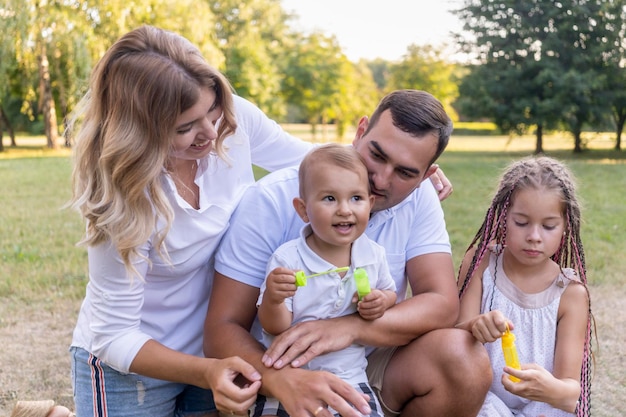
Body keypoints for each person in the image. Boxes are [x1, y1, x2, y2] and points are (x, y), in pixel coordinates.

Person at [64, 24, 321, 417]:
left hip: (216, 346)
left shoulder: (234, 123)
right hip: (132, 368)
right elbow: (113, 335)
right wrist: (207, 371)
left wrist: (389, 167)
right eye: (185, 128)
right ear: (140, 131)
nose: (210, 133)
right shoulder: (122, 194)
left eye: (212, 111)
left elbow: (315, 162)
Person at [205, 89, 492, 417]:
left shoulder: (419, 198)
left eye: (405, 172)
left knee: (463, 360)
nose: (381, 179)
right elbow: (221, 330)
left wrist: (348, 328)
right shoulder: (273, 198)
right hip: (280, 364)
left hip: (367, 363)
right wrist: (281, 380)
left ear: (426, 176)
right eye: (378, 155)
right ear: (360, 132)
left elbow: (441, 303)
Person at [255, 144, 397, 417]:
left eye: (356, 198)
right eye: (330, 199)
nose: (345, 210)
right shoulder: (289, 260)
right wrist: (273, 298)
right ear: (303, 209)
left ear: (370, 203)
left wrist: (380, 302)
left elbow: (388, 292)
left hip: (350, 378)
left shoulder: (372, 254)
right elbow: (275, 325)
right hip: (292, 378)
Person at [455, 156, 593, 417]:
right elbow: (452, 342)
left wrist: (548, 388)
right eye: (521, 222)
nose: (534, 236)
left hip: (542, 406)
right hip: (483, 399)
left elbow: (570, 393)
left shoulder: (570, 293)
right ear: (503, 217)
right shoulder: (481, 264)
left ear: (566, 227)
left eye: (549, 226)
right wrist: (475, 326)